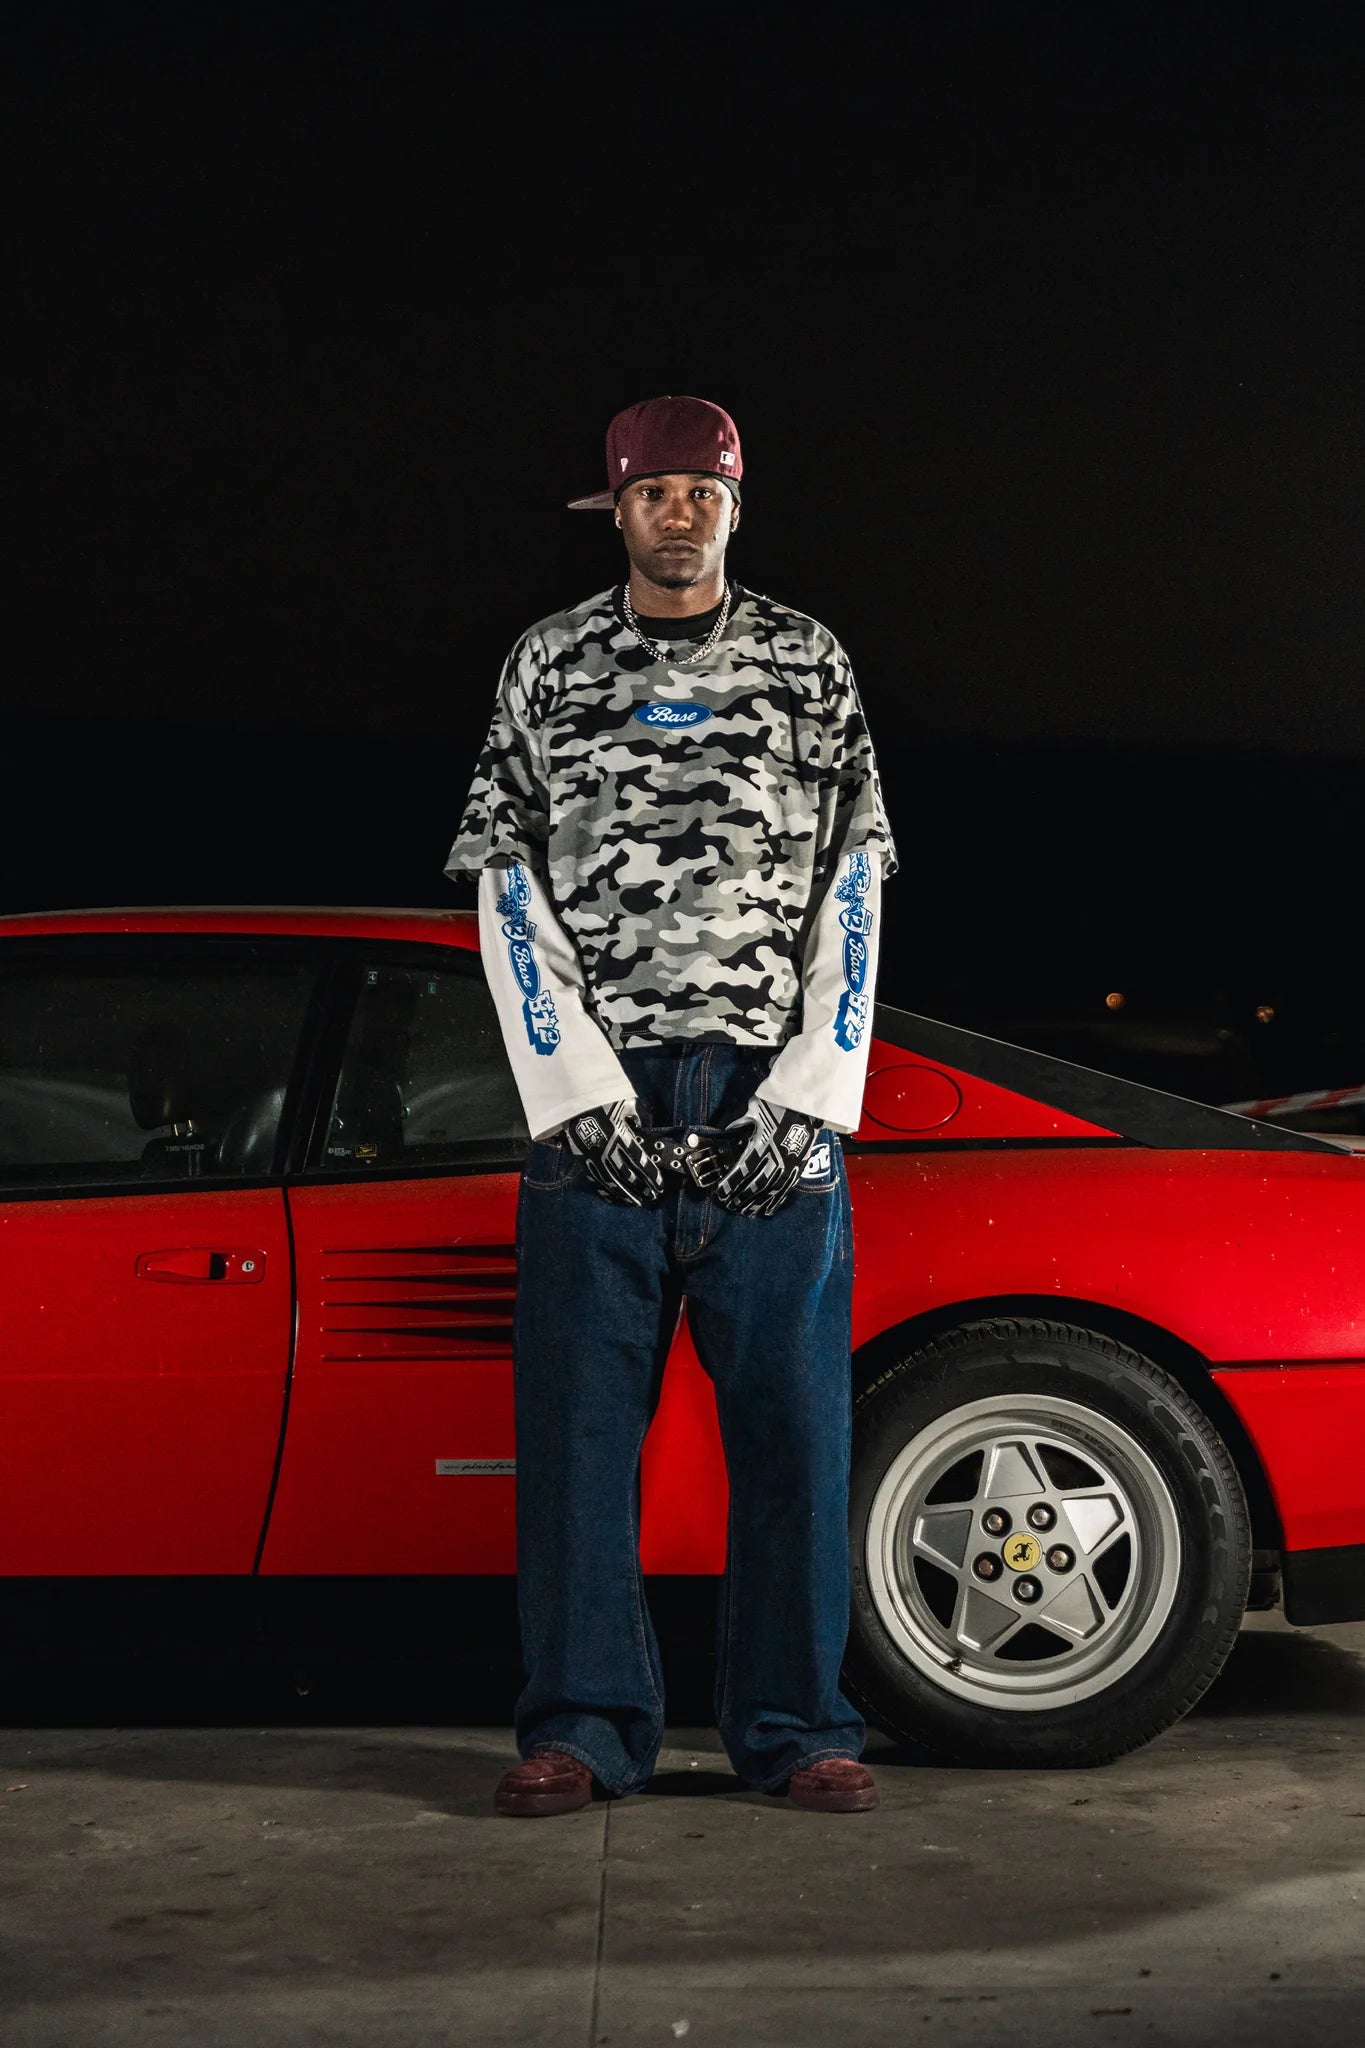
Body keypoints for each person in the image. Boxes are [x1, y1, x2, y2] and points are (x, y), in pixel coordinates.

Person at [444, 394, 898, 1816]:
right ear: (619, 510)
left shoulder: (806, 660)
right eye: (655, 492)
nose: (680, 511)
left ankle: (798, 1728)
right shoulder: (551, 660)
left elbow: (853, 882)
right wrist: (570, 1092)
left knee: (793, 1437)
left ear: (734, 506)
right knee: (579, 1442)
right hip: (600, 1105)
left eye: (704, 489)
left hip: (765, 1095)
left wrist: (811, 1100)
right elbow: (505, 881)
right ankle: (583, 1728)